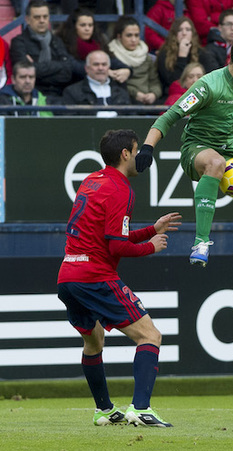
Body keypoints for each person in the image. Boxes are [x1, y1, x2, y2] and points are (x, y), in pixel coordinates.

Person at [136, 33, 233, 307]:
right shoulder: (208, 86)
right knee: (215, 163)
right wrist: (147, 148)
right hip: (197, 150)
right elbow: (169, 116)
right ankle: (201, 241)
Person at [57, 128, 182, 428]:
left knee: (94, 340)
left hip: (68, 275)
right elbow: (116, 246)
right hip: (94, 275)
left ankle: (104, 411)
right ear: (126, 154)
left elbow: (109, 235)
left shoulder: (91, 181)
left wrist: (152, 229)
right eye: (137, 151)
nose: (139, 157)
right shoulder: (121, 189)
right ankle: (140, 408)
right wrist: (149, 247)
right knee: (150, 335)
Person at [10, 0, 73, 99]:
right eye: (37, 17)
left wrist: (36, 67)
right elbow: (24, 73)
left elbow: (67, 72)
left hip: (59, 94)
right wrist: (59, 66)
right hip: (32, 95)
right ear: (27, 19)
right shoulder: (18, 42)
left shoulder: (57, 41)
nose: (42, 20)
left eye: (45, 16)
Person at [56, 7, 131, 84]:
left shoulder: (98, 41)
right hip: (74, 85)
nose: (87, 29)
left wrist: (126, 70)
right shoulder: (63, 42)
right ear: (74, 26)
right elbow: (72, 66)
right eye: (83, 25)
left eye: (90, 25)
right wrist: (103, 71)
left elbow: (111, 59)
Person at [107, 16, 162, 106]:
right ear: (119, 36)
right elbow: (114, 84)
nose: (133, 40)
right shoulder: (112, 56)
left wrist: (153, 94)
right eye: (129, 35)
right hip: (124, 101)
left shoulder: (146, 56)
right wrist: (135, 93)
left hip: (149, 102)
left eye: (136, 35)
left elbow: (154, 81)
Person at [62, 50, 132, 116]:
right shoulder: (72, 92)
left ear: (109, 67)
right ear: (87, 68)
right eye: (96, 64)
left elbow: (131, 117)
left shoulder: (121, 90)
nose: (100, 68)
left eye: (104, 64)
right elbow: (70, 121)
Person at [156, 17, 207, 97]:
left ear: (192, 33)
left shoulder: (201, 53)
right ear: (174, 34)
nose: (184, 33)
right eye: (180, 30)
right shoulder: (164, 54)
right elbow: (172, 83)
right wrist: (182, 57)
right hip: (172, 96)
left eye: (188, 30)